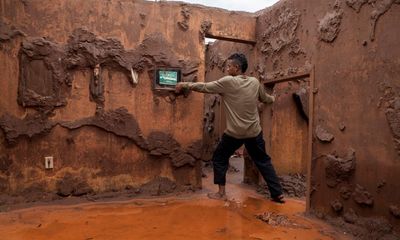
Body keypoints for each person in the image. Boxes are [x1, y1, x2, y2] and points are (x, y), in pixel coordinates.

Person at [175, 53, 285, 203]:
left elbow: (205, 87)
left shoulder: (228, 82)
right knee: (263, 160)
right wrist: (274, 98)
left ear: (237, 68)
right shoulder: (254, 82)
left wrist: (185, 85)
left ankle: (221, 193)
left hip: (235, 133)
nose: (227, 69)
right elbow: (266, 99)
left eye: (229, 66)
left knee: (219, 157)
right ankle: (277, 193)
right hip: (254, 132)